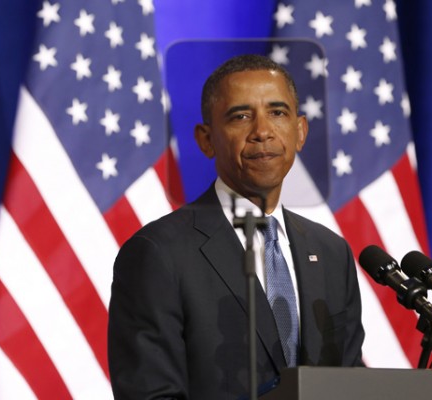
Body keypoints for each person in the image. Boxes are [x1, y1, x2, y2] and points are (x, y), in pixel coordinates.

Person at [107, 54, 365, 399]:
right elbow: (150, 393)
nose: (262, 132)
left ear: (300, 131)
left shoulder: (332, 252)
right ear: (206, 139)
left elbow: (348, 382)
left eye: (277, 113)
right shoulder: (158, 253)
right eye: (241, 116)